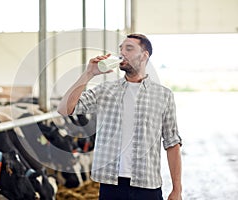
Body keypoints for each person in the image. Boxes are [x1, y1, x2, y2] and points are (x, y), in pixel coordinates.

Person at [57, 33, 182, 200]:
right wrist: (89, 74)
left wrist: (177, 190)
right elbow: (64, 109)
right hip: (111, 186)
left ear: (144, 55)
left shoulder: (163, 95)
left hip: (147, 186)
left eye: (129, 49)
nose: (122, 53)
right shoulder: (105, 91)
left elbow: (172, 143)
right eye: (121, 49)